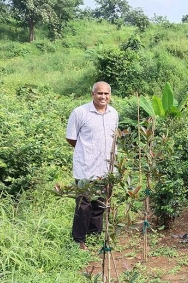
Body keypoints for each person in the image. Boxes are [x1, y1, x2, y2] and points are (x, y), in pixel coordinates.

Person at [65, 81, 119, 250]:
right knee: (84, 205)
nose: (103, 97)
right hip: (86, 167)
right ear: (92, 94)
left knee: (100, 204)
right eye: (99, 93)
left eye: (106, 94)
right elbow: (71, 138)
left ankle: (94, 235)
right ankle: (79, 240)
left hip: (105, 168)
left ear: (110, 96)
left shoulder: (113, 114)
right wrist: (86, 151)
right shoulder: (80, 113)